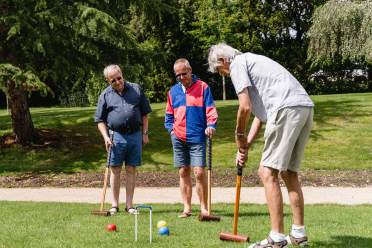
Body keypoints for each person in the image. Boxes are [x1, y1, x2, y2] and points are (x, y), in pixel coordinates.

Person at [208, 43, 314, 247]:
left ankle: (277, 238)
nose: (224, 75)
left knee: (267, 173)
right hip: (304, 107)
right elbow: (260, 115)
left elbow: (245, 107)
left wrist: (238, 133)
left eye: (221, 71)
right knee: (289, 173)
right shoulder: (253, 62)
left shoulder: (238, 64)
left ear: (223, 61)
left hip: (286, 108)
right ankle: (298, 234)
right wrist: (245, 144)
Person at [94, 64, 152, 215]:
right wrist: (106, 137)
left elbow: (145, 114)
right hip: (115, 135)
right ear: (108, 81)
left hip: (135, 135)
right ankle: (114, 205)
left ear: (122, 74)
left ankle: (129, 205)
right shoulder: (105, 95)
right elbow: (100, 120)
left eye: (119, 78)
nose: (118, 82)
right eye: (113, 80)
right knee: (115, 170)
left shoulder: (136, 89)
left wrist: (145, 133)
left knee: (131, 169)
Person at [164, 58, 218, 218]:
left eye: (184, 73)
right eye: (178, 75)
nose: (181, 77)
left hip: (198, 136)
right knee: (183, 171)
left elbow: (211, 110)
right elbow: (168, 116)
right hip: (178, 137)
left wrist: (211, 125)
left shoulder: (203, 87)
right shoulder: (172, 91)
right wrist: (171, 131)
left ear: (190, 71)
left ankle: (204, 208)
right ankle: (187, 208)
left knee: (199, 172)